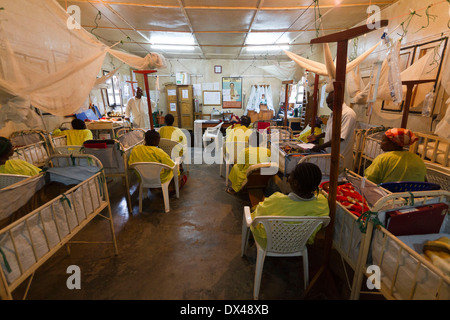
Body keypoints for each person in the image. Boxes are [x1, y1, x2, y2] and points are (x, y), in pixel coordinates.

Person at [250, 162, 329, 248]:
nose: (288, 178)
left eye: (290, 175)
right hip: (298, 244)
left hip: (269, 243)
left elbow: (257, 217)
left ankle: (250, 241)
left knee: (252, 212)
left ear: (295, 183)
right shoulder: (322, 203)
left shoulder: (276, 200)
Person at [308, 91, 356, 170]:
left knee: (339, 178)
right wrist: (316, 137)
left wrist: (320, 147)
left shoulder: (348, 114)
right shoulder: (333, 113)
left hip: (341, 155)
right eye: (327, 103)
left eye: (331, 102)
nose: (328, 105)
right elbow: (329, 131)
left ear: (339, 100)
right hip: (329, 154)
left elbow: (339, 138)